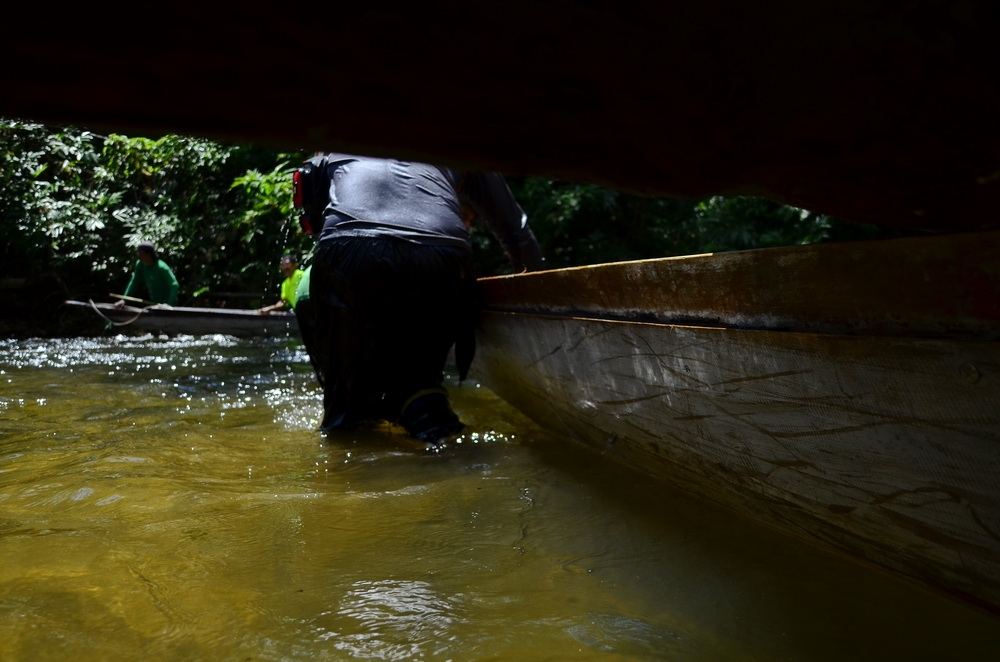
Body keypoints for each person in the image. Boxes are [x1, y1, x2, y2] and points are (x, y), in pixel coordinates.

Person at [302, 153, 544, 444]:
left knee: (347, 405)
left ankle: (346, 435)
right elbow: (516, 233)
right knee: (423, 390)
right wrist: (544, 303)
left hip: (349, 250)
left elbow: (314, 221)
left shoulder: (336, 146)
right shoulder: (460, 142)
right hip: (441, 257)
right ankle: (436, 431)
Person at [116, 242, 179, 306]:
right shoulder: (140, 265)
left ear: (148, 254)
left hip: (170, 308)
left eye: (140, 253)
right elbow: (134, 282)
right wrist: (124, 299)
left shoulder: (161, 267)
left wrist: (169, 304)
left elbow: (174, 285)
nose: (138, 255)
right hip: (156, 305)